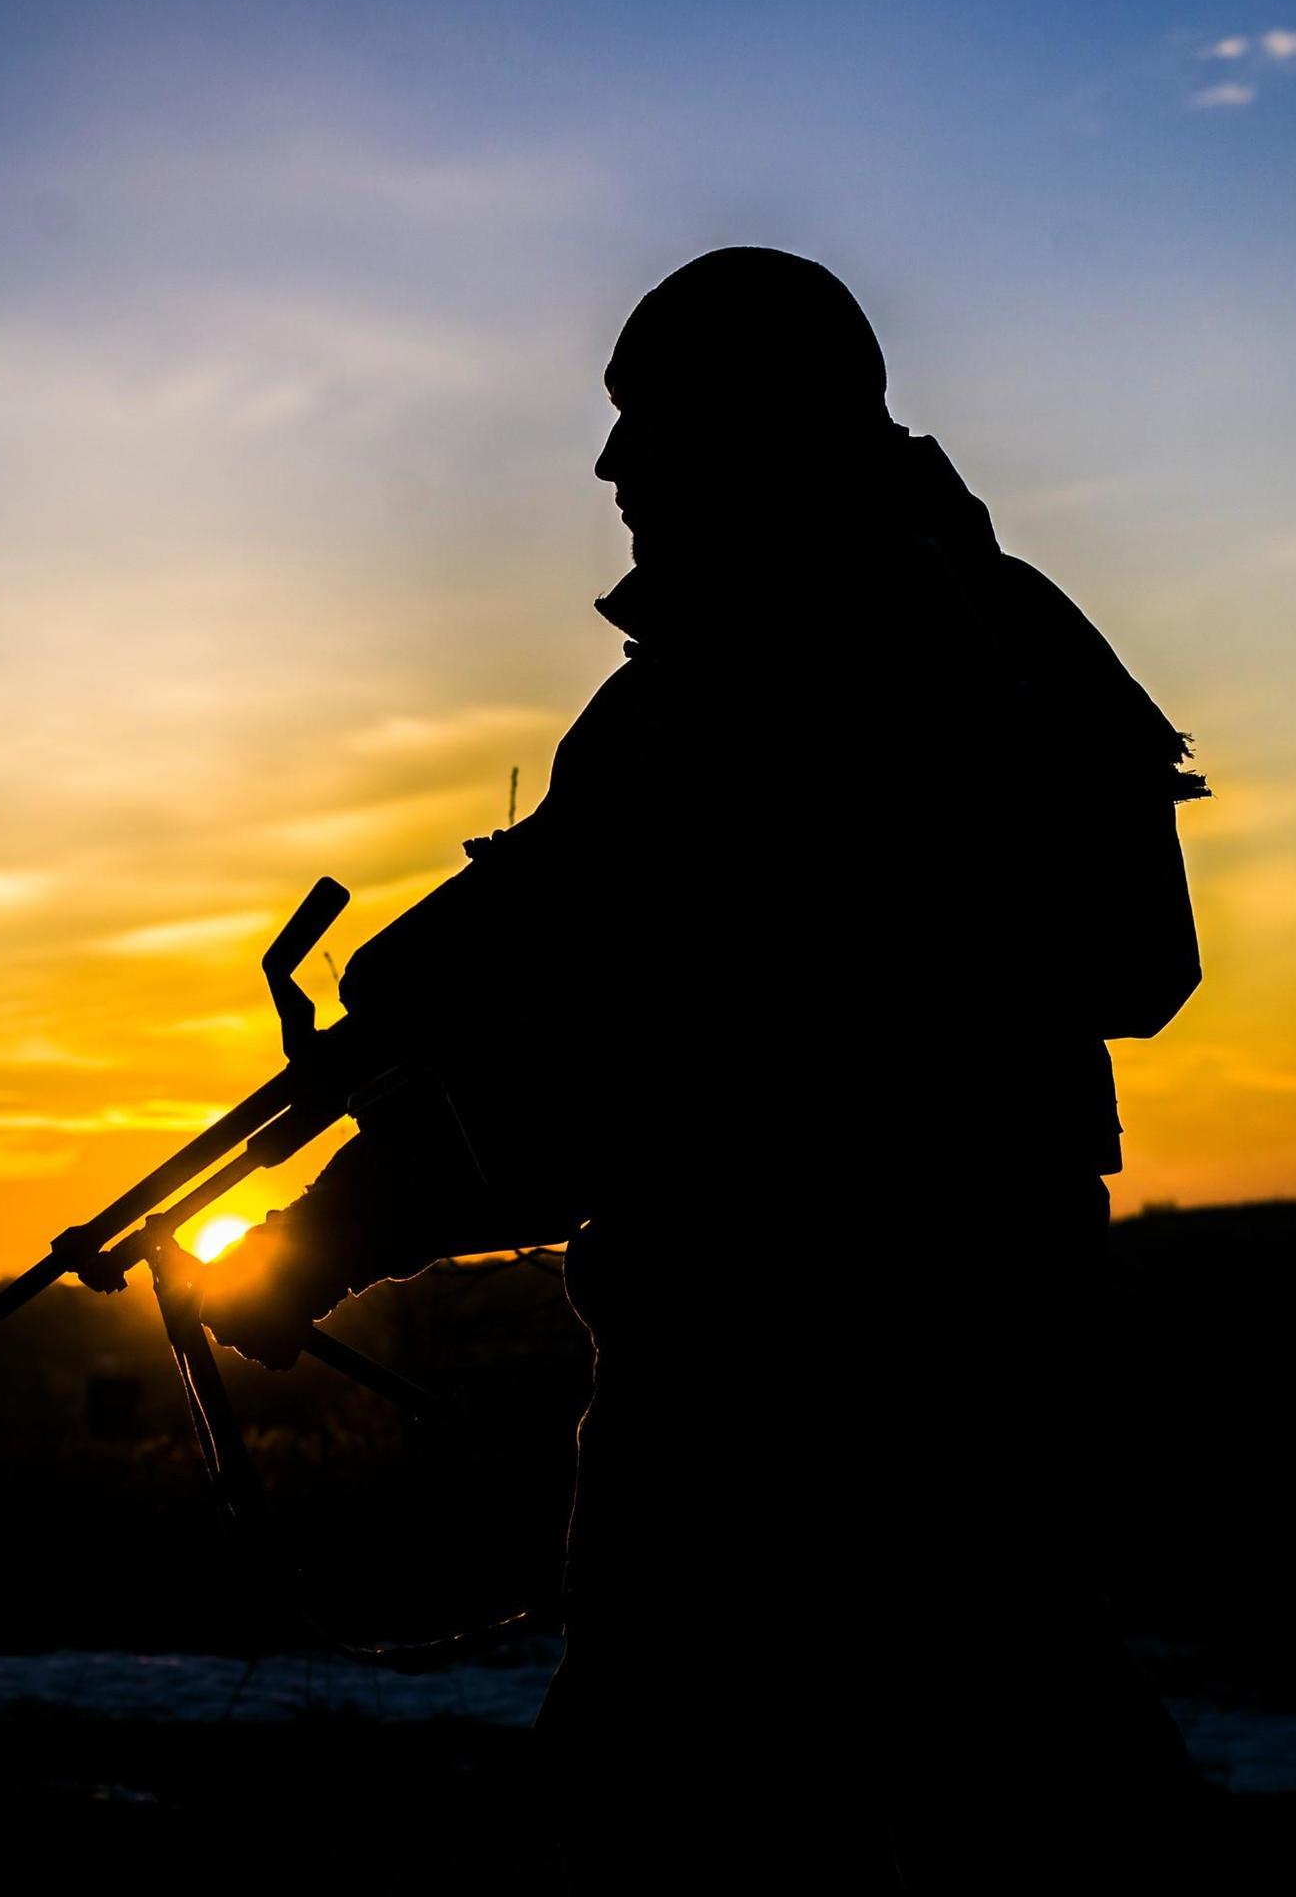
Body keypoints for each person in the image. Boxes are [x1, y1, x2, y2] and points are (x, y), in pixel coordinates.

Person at [195, 248, 1210, 1888]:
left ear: (747, 420)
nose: (608, 468)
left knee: (687, 1815)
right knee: (1023, 1756)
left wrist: (324, 1236)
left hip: (775, 1359)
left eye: (641, 420)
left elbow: (638, 1084)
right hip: (966, 1328)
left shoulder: (759, 681)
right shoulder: (979, 624)